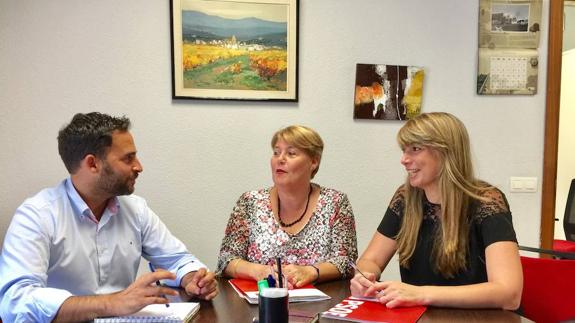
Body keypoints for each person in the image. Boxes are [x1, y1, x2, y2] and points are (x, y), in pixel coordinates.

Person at [0, 112, 218, 322]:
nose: (139, 167)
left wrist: (193, 278)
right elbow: (15, 302)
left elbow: (177, 259)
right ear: (93, 164)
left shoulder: (135, 209)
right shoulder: (37, 215)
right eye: (128, 158)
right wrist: (110, 303)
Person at [350, 112, 522, 310]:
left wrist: (421, 294)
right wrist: (364, 277)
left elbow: (509, 293)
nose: (404, 160)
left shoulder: (486, 201)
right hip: (421, 316)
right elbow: (371, 260)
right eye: (403, 150)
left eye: (415, 149)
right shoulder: (405, 198)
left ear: (446, 152)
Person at [216, 125, 358, 288]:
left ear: (313, 162)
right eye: (276, 152)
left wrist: (311, 272)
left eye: (291, 153)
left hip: (319, 303)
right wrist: (259, 271)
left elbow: (346, 262)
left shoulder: (335, 202)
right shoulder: (250, 202)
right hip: (260, 302)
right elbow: (226, 260)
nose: (280, 159)